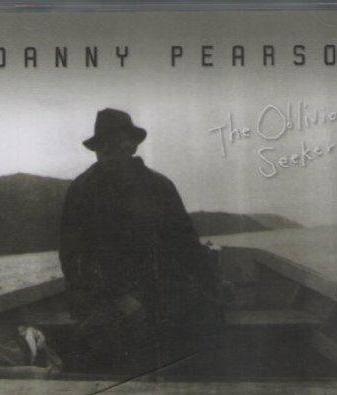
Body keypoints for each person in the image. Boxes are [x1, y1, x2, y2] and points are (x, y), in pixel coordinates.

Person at [59, 108, 222, 373]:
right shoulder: (81, 191)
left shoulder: (160, 187)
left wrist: (210, 283)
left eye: (116, 140)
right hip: (101, 298)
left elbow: (186, 247)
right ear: (96, 149)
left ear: (133, 145)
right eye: (102, 142)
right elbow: (72, 259)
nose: (109, 147)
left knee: (205, 315)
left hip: (157, 291)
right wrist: (112, 299)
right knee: (107, 337)